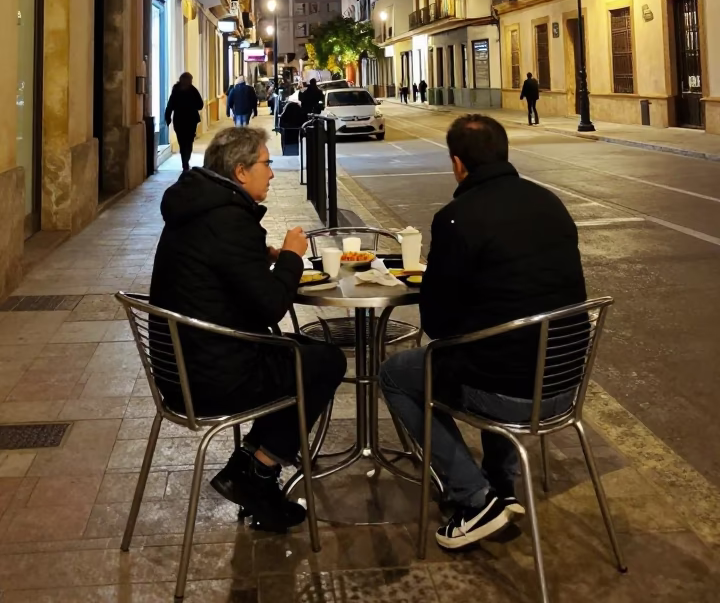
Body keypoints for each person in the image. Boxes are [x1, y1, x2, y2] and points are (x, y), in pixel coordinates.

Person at [380, 114, 586, 551]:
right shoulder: (551, 202)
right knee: (500, 347)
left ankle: (475, 499)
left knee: (397, 375)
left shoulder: (458, 218)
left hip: (509, 391)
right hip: (566, 384)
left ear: (457, 164)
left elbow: (436, 325)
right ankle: (501, 485)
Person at [149, 126, 347, 532]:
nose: (272, 174)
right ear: (241, 172)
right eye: (266, 164)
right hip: (214, 375)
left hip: (183, 365)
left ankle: (249, 468)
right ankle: (257, 472)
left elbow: (223, 274)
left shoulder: (201, 209)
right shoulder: (227, 220)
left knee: (303, 354)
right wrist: (292, 257)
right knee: (323, 361)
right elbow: (272, 305)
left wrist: (261, 257)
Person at [164, 72, 204, 170]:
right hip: (190, 120)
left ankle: (184, 162)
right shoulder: (192, 90)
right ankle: (186, 161)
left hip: (179, 120)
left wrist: (168, 117)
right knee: (188, 141)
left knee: (182, 142)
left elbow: (170, 105)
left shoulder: (176, 90)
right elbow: (200, 105)